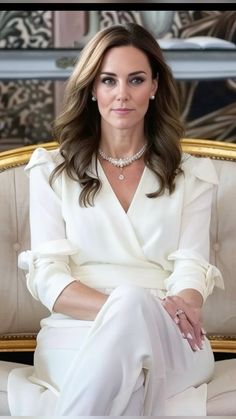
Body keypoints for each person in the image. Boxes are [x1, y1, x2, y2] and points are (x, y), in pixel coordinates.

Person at [8, 22, 224, 416]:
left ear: (155, 86)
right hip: (73, 333)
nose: (122, 94)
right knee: (129, 373)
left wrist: (170, 306)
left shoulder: (193, 173)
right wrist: (129, 308)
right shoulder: (52, 170)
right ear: (92, 88)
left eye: (136, 80)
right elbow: (49, 279)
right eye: (109, 80)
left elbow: (192, 272)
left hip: (170, 334)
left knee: (132, 320)